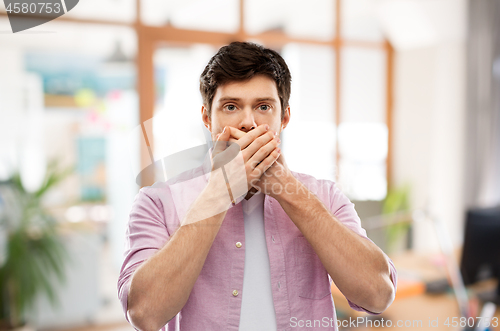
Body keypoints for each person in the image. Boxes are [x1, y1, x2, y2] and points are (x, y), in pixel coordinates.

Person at [118, 41, 397, 331]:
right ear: (206, 118)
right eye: (230, 106)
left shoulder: (325, 195)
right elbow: (144, 313)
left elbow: (378, 295)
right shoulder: (157, 202)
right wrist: (218, 193)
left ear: (284, 117)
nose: (249, 122)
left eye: (263, 107)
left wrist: (288, 189)